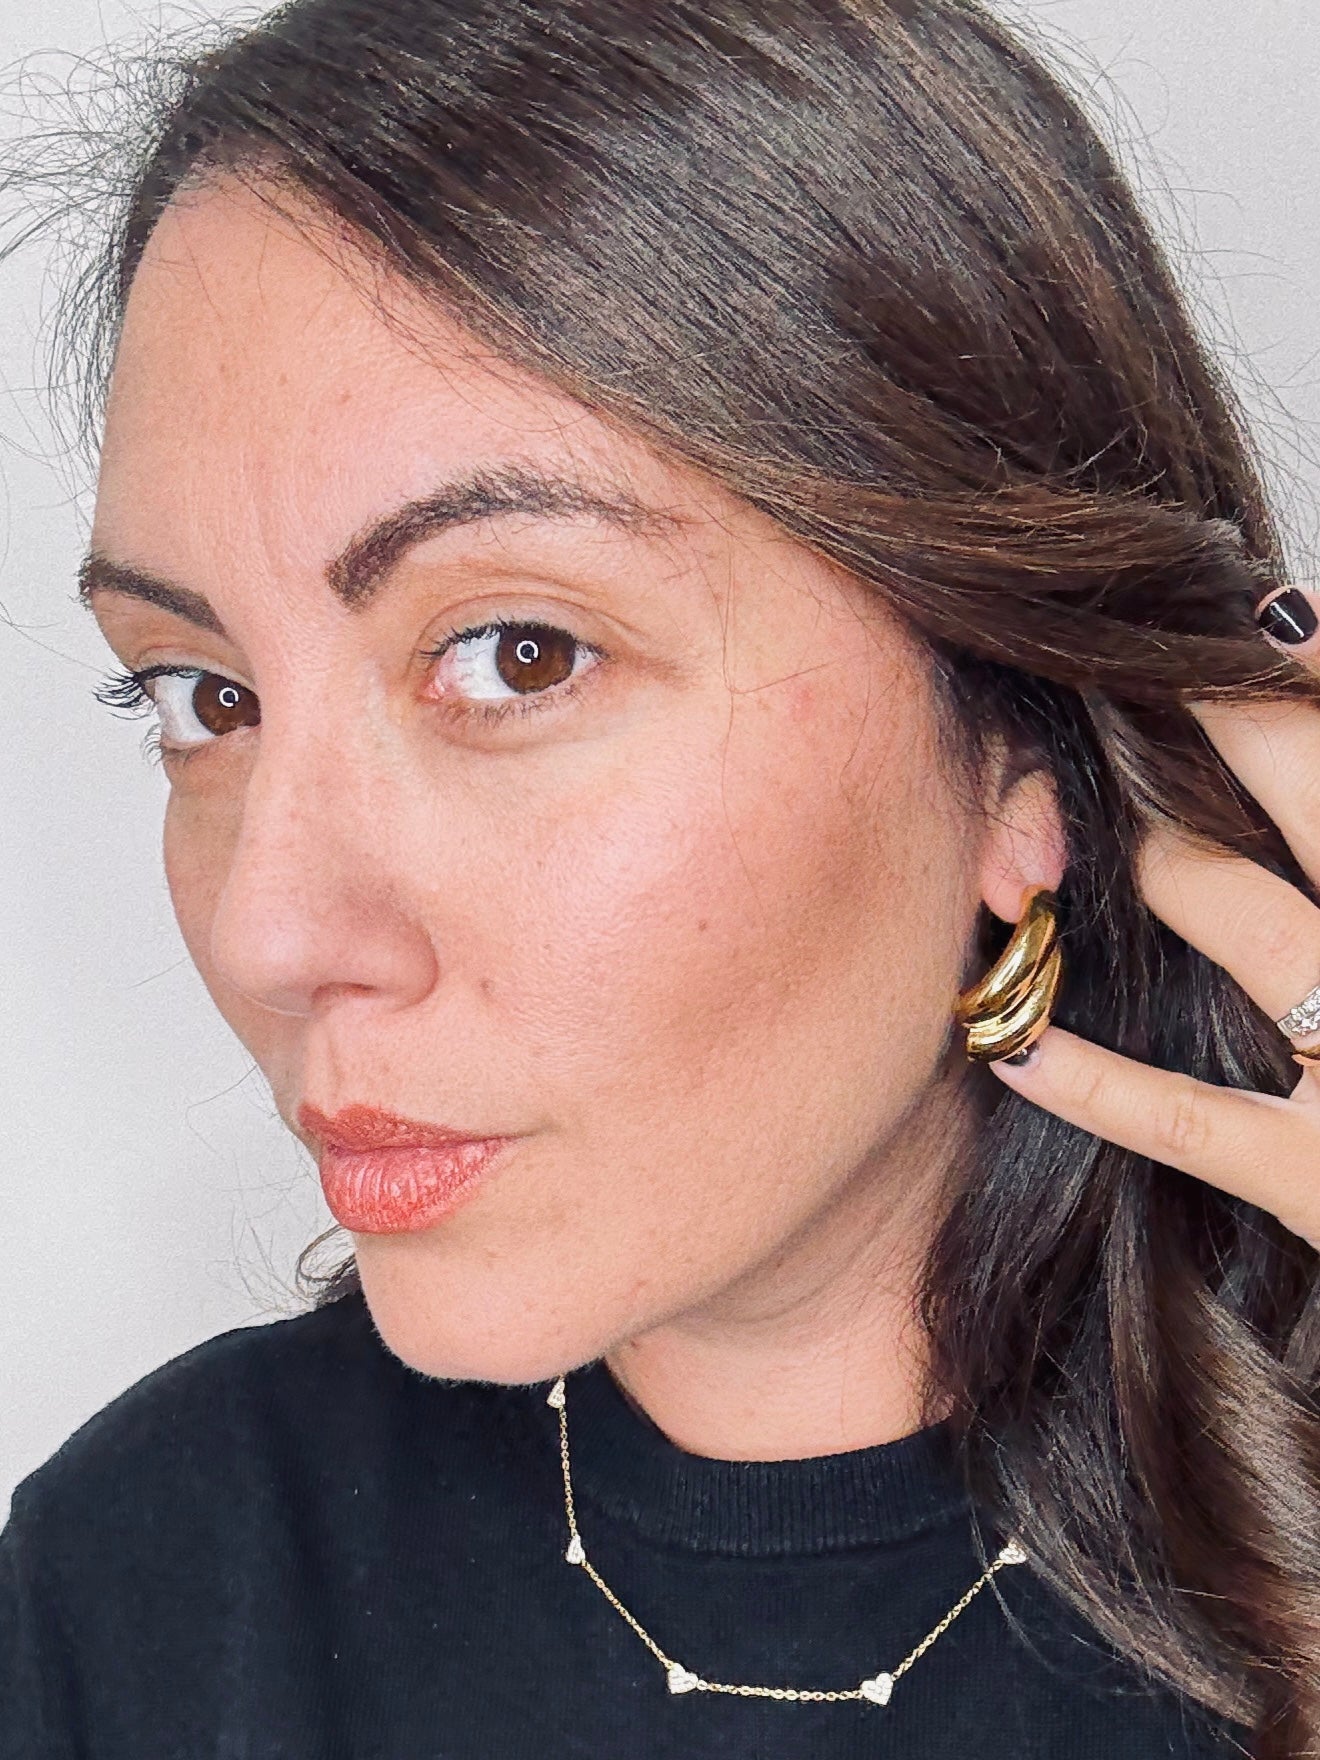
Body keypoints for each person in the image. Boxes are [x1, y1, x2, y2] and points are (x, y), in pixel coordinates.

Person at [3, 0, 1319, 1754]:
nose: (270, 931)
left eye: (520, 655)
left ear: (1021, 732)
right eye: (204, 697)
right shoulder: (142, 1585)